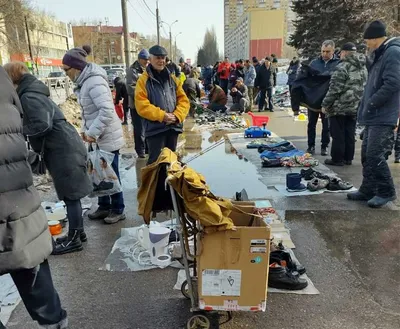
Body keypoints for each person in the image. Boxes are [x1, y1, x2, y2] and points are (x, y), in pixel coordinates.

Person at [0, 65, 68, 328]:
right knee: (29, 261)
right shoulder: (8, 84)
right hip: (18, 195)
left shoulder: (28, 95)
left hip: (13, 188)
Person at [4, 61, 93, 255]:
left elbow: (42, 124)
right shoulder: (32, 92)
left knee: (71, 195)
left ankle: (75, 238)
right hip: (63, 146)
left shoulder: (28, 96)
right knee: (70, 193)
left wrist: (17, 132)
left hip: (63, 148)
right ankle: (79, 233)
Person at [62, 45, 126, 224]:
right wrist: (86, 130)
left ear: (76, 67)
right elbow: (88, 111)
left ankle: (118, 209)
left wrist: (92, 132)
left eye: (66, 69)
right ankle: (104, 206)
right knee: (98, 172)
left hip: (107, 136)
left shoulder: (94, 81)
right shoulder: (84, 81)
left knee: (110, 173)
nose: (65, 73)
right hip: (96, 137)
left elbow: (106, 111)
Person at [348, 21, 400, 208]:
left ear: (375, 38)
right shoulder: (380, 54)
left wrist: (372, 102)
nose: (366, 44)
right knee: (366, 155)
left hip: (384, 115)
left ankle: (386, 191)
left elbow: (393, 83)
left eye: (367, 41)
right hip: (374, 115)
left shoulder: (392, 52)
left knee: (376, 155)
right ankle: (368, 189)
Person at [135, 45, 190, 165]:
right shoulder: (143, 81)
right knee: (156, 164)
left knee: (172, 164)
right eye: (157, 58)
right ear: (150, 59)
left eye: (163, 58)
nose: (161, 61)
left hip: (173, 128)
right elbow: (141, 105)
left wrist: (177, 116)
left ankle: (169, 184)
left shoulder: (173, 79)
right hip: (155, 130)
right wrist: (162, 115)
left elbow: (184, 101)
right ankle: (157, 185)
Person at [321, 42, 367, 166]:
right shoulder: (363, 67)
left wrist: (325, 104)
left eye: (341, 52)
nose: (340, 55)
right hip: (354, 106)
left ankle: (337, 159)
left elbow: (335, 89)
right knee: (349, 133)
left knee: (338, 134)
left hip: (339, 107)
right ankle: (348, 158)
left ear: (345, 53)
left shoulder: (342, 67)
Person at [307, 40, 340, 156]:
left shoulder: (338, 63)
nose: (325, 54)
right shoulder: (314, 63)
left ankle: (324, 146)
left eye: (328, 51)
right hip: (314, 99)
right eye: (323, 51)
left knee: (327, 125)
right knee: (311, 123)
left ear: (333, 51)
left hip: (328, 100)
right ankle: (310, 145)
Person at [126, 49, 150, 158]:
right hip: (136, 105)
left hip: (147, 105)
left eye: (148, 60)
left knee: (148, 128)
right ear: (139, 59)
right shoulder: (133, 70)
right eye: (145, 60)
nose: (147, 61)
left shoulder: (148, 69)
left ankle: (147, 148)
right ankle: (140, 150)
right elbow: (131, 88)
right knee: (139, 129)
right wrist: (144, 94)